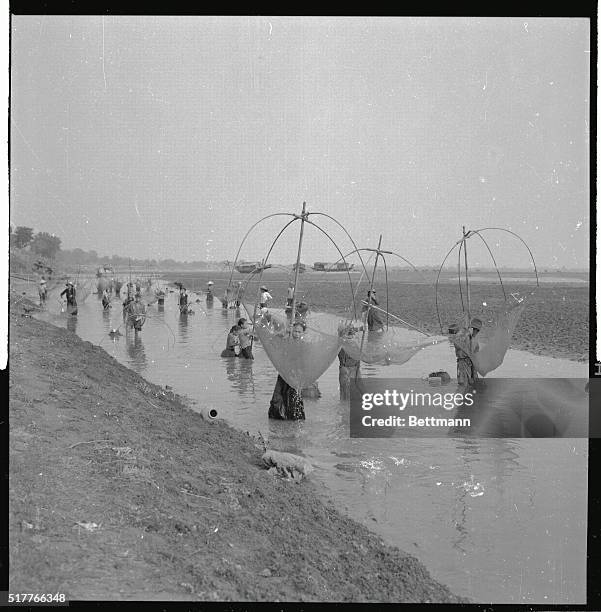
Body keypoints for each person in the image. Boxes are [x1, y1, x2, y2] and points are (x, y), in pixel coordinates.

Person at [268, 321, 306, 420]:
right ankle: (278, 422)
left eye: (299, 332)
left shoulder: (303, 345)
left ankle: (293, 422)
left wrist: (299, 376)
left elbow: (303, 363)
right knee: (278, 399)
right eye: (295, 331)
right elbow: (271, 340)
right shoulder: (286, 341)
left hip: (295, 376)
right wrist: (283, 332)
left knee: (294, 401)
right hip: (283, 374)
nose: (296, 334)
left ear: (303, 333)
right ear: (291, 331)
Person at [449, 317, 481, 387]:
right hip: (464, 363)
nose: (477, 333)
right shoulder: (464, 335)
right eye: (477, 331)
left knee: (470, 384)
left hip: (469, 364)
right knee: (464, 384)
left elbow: (475, 353)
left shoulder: (472, 339)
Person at [338, 326, 361, 400]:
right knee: (351, 396)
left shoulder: (340, 344)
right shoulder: (352, 344)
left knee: (344, 396)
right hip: (350, 370)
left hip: (346, 370)